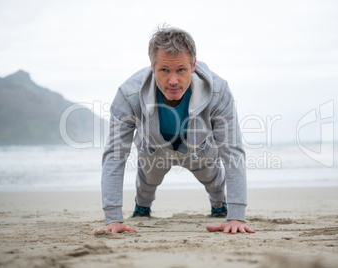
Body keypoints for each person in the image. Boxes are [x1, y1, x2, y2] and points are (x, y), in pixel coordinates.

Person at [92, 26, 254, 235]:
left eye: (181, 70)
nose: (173, 80)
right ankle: (142, 208)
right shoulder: (129, 94)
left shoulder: (218, 91)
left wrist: (236, 216)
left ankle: (218, 206)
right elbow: (115, 154)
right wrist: (112, 218)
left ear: (193, 65)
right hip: (153, 151)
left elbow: (232, 151)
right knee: (146, 184)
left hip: (199, 150)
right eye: (164, 70)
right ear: (152, 66)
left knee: (214, 180)